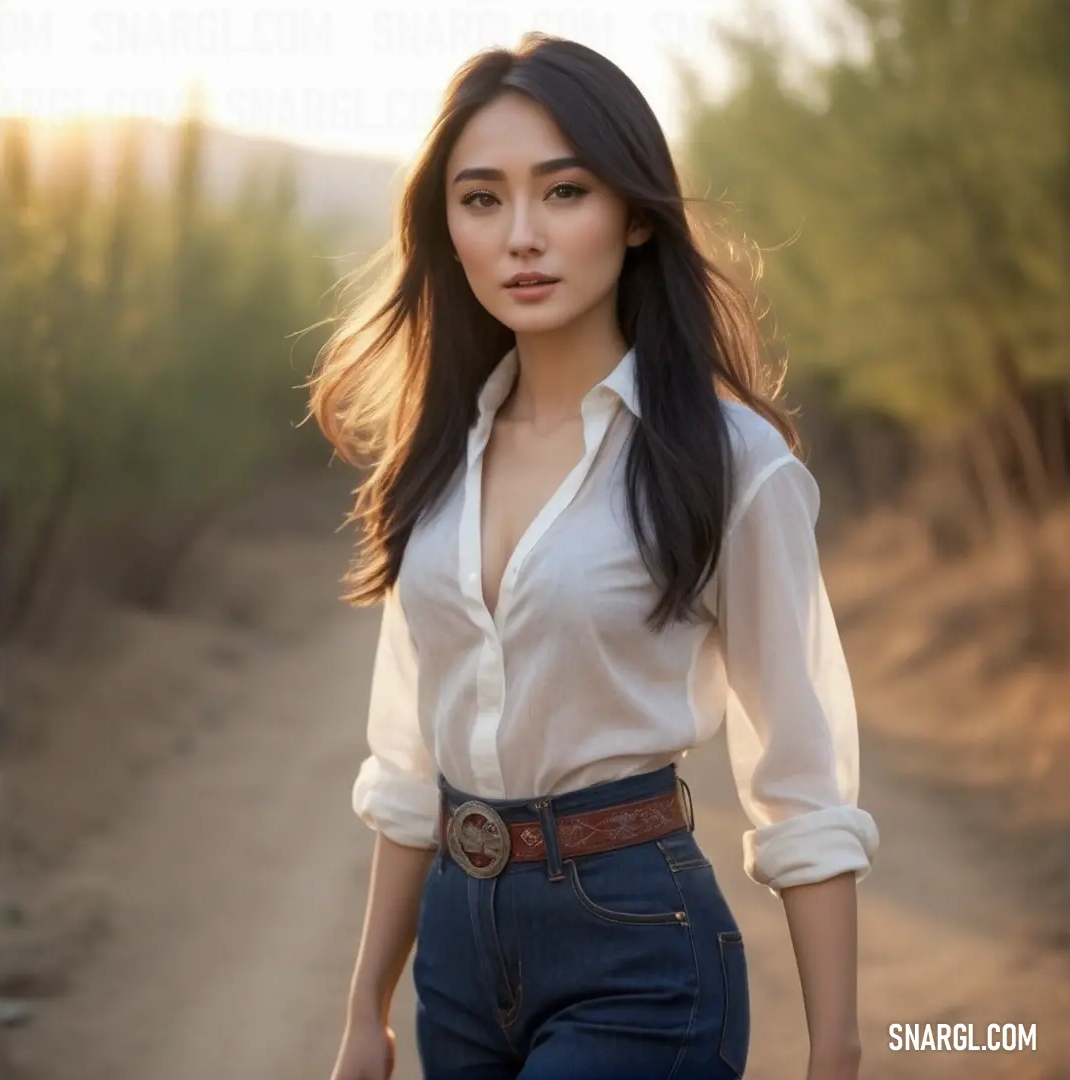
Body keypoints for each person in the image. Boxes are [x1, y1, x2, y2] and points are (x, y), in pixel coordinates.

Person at [309, 32, 879, 1080]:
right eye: (481, 199)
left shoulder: (726, 462)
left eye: (563, 192)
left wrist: (834, 1050)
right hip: (456, 953)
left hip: (636, 939)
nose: (521, 235)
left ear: (632, 215)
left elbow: (802, 777)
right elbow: (407, 761)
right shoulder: (437, 460)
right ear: (447, 227)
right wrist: (365, 1012)